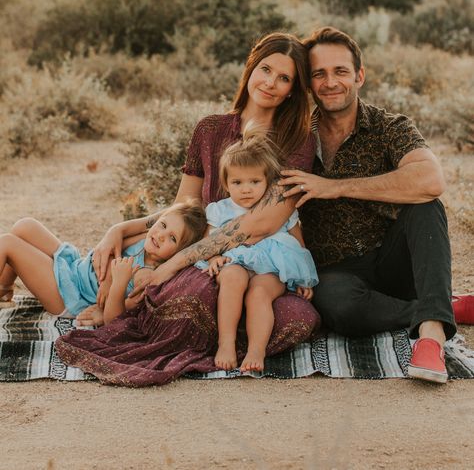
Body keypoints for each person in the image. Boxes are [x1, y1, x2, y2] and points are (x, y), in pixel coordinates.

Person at [55, 32, 320, 386]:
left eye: (284, 78)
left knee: (295, 316)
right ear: (251, 67)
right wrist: (119, 230)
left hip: (267, 262)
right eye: (266, 69)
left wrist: (172, 266)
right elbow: (187, 206)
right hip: (208, 258)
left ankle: (236, 342)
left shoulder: (298, 140)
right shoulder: (210, 129)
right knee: (194, 294)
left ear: (293, 89)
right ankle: (209, 339)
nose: (271, 83)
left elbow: (265, 222)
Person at [279, 26, 457, 384]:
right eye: (319, 74)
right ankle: (439, 307)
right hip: (336, 274)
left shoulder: (390, 127)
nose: (331, 82)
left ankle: (432, 338)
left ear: (359, 75)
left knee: (426, 206)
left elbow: (430, 179)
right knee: (335, 306)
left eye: (340, 71)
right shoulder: (295, 137)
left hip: (393, 260)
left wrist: (336, 188)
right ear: (309, 84)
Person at [195, 125, 318, 372]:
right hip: (235, 263)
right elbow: (208, 242)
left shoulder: (279, 209)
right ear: (226, 183)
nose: (246, 189)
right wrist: (214, 258)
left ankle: (256, 350)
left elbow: (298, 244)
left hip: (272, 268)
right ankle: (226, 343)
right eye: (237, 182)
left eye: (254, 181)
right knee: (231, 278)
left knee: (258, 294)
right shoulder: (220, 210)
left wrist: (303, 277)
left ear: (267, 181)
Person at [0, 202, 206, 321]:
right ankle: (4, 287)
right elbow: (113, 247)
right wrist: (107, 278)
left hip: (69, 295)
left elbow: (116, 317)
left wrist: (114, 287)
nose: (161, 235)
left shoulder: (145, 275)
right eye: (162, 225)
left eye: (172, 238)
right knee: (24, 226)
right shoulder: (145, 240)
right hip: (76, 268)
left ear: (178, 252)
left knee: (7, 244)